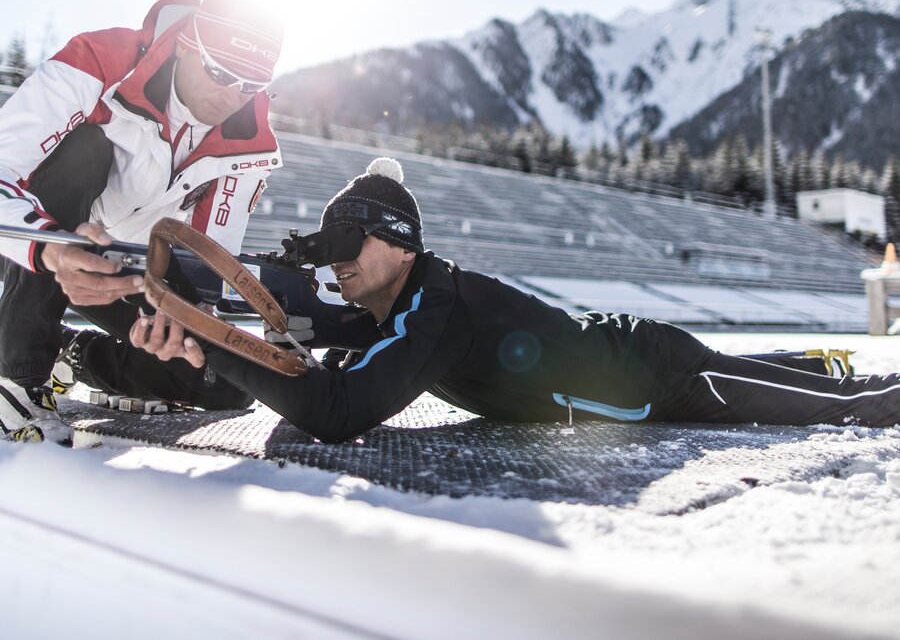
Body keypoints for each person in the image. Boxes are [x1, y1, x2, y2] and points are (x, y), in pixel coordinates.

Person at [130, 156, 900, 444]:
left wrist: (231, 349)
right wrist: (172, 309)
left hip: (656, 375)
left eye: (348, 245)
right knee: (779, 377)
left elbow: (335, 412)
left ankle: (849, 380)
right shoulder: (387, 308)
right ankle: (811, 359)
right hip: (635, 362)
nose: (335, 266)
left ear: (400, 243)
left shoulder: (430, 304)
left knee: (852, 408)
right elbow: (281, 315)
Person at [0, 0, 284, 444]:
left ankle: (72, 352)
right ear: (189, 44)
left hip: (126, 267)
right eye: (220, 73)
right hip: (25, 243)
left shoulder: (248, 142)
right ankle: (17, 374)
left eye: (251, 85)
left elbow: (211, 257)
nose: (234, 96)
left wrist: (189, 313)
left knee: (226, 378)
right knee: (85, 151)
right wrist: (48, 246)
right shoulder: (97, 60)